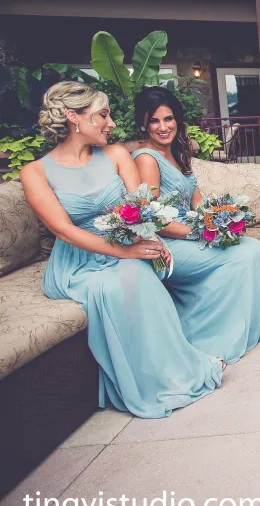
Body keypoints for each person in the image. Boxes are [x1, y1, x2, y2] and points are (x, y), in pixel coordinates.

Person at [20, 82, 221, 418]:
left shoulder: (116, 155)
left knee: (138, 273)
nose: (111, 123)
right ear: (74, 118)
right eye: (103, 115)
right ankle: (146, 385)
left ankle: (179, 370)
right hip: (78, 264)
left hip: (125, 246)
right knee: (117, 284)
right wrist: (125, 253)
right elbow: (63, 230)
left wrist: (148, 241)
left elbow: (142, 207)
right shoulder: (35, 172)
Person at [131, 87, 260, 363]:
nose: (163, 127)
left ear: (177, 120)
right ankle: (204, 338)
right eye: (155, 121)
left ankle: (236, 330)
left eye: (168, 119)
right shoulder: (147, 159)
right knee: (242, 256)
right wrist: (199, 233)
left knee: (251, 247)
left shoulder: (178, 153)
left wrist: (222, 221)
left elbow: (197, 202)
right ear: (144, 124)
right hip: (169, 243)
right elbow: (153, 219)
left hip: (190, 232)